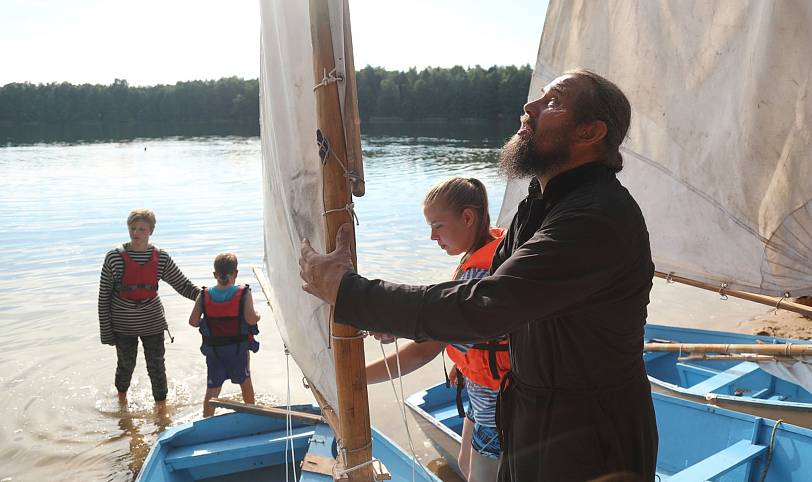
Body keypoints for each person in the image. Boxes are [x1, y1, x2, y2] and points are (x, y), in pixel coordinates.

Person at [299, 69, 658, 481]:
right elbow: (476, 291)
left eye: (553, 103)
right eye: (538, 97)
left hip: (593, 445)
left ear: (591, 132)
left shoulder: (595, 218)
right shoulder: (539, 206)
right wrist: (389, 317)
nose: (529, 108)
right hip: (535, 425)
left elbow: (485, 306)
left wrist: (351, 294)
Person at [365, 177, 509, 482]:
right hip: (482, 392)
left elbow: (424, 350)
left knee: (479, 475)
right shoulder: (485, 252)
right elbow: (444, 323)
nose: (432, 236)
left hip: (498, 408)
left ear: (468, 217)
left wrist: (356, 378)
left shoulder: (480, 275)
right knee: (465, 463)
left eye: (438, 225)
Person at [98, 208, 200, 407]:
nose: (136, 233)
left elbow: (183, 285)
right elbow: (103, 297)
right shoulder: (113, 258)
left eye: (142, 230)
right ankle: (122, 402)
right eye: (133, 228)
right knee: (125, 366)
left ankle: (161, 410)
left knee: (157, 367)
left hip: (152, 322)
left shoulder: (161, 257)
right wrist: (106, 332)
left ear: (151, 231)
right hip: (123, 325)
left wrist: (207, 296)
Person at [188, 252, 261, 417]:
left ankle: (207, 419)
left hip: (214, 352)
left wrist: (208, 323)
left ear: (215, 274)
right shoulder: (244, 293)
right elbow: (250, 320)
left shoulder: (203, 294)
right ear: (235, 273)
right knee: (245, 381)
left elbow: (193, 321)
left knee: (212, 389)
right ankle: (252, 415)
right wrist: (258, 315)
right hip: (237, 350)